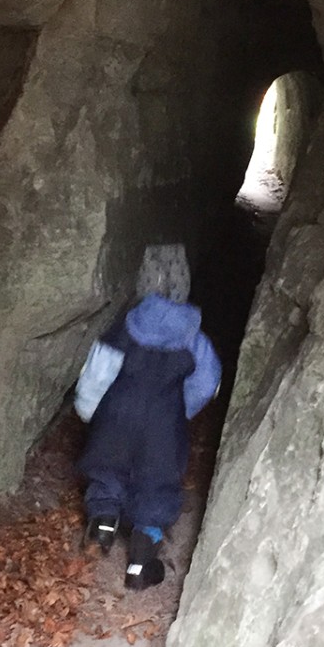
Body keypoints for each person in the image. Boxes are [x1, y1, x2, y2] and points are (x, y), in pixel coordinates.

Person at [73, 250, 221, 590]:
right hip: (163, 426)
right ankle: (139, 568)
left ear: (142, 284)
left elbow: (98, 372)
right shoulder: (195, 340)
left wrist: (89, 410)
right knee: (157, 486)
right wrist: (181, 410)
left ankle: (102, 527)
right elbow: (206, 382)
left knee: (108, 470)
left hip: (117, 415)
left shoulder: (125, 327)